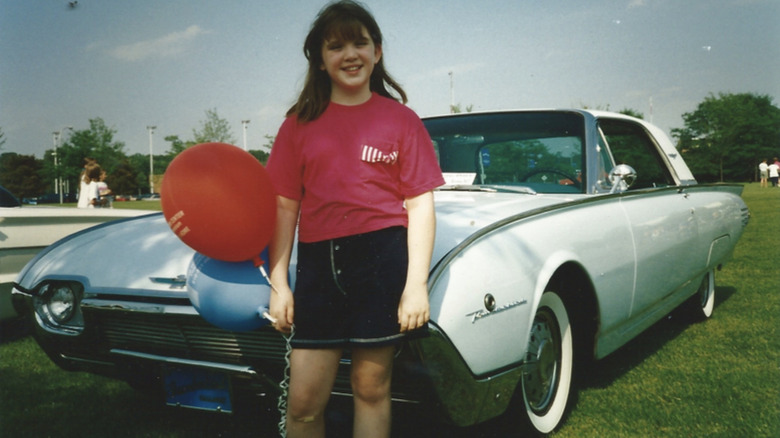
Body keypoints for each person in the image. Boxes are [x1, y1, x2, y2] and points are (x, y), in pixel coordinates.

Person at [265, 2, 444, 437]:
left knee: (370, 389)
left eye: (360, 43)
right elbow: (285, 207)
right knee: (305, 402)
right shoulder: (297, 125)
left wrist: (415, 285)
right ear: (320, 60)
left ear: (377, 52)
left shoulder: (402, 120)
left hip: (382, 262)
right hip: (318, 268)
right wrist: (279, 282)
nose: (350, 54)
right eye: (336, 46)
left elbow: (420, 204)